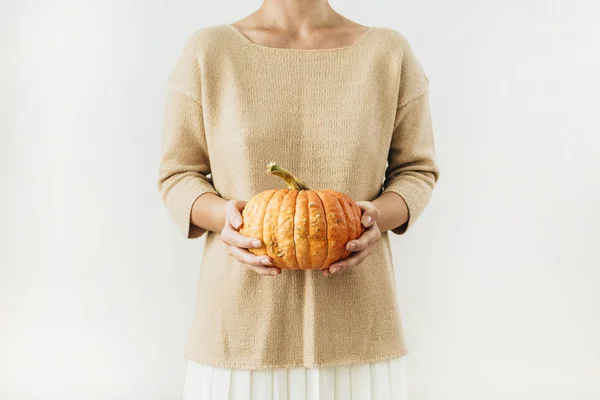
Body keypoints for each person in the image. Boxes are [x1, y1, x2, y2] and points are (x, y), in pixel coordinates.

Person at [157, 0, 439, 398]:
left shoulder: (388, 54)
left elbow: (417, 170)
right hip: (238, 337)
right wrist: (226, 219)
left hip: (358, 335)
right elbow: (178, 174)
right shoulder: (209, 51)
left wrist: (377, 218)